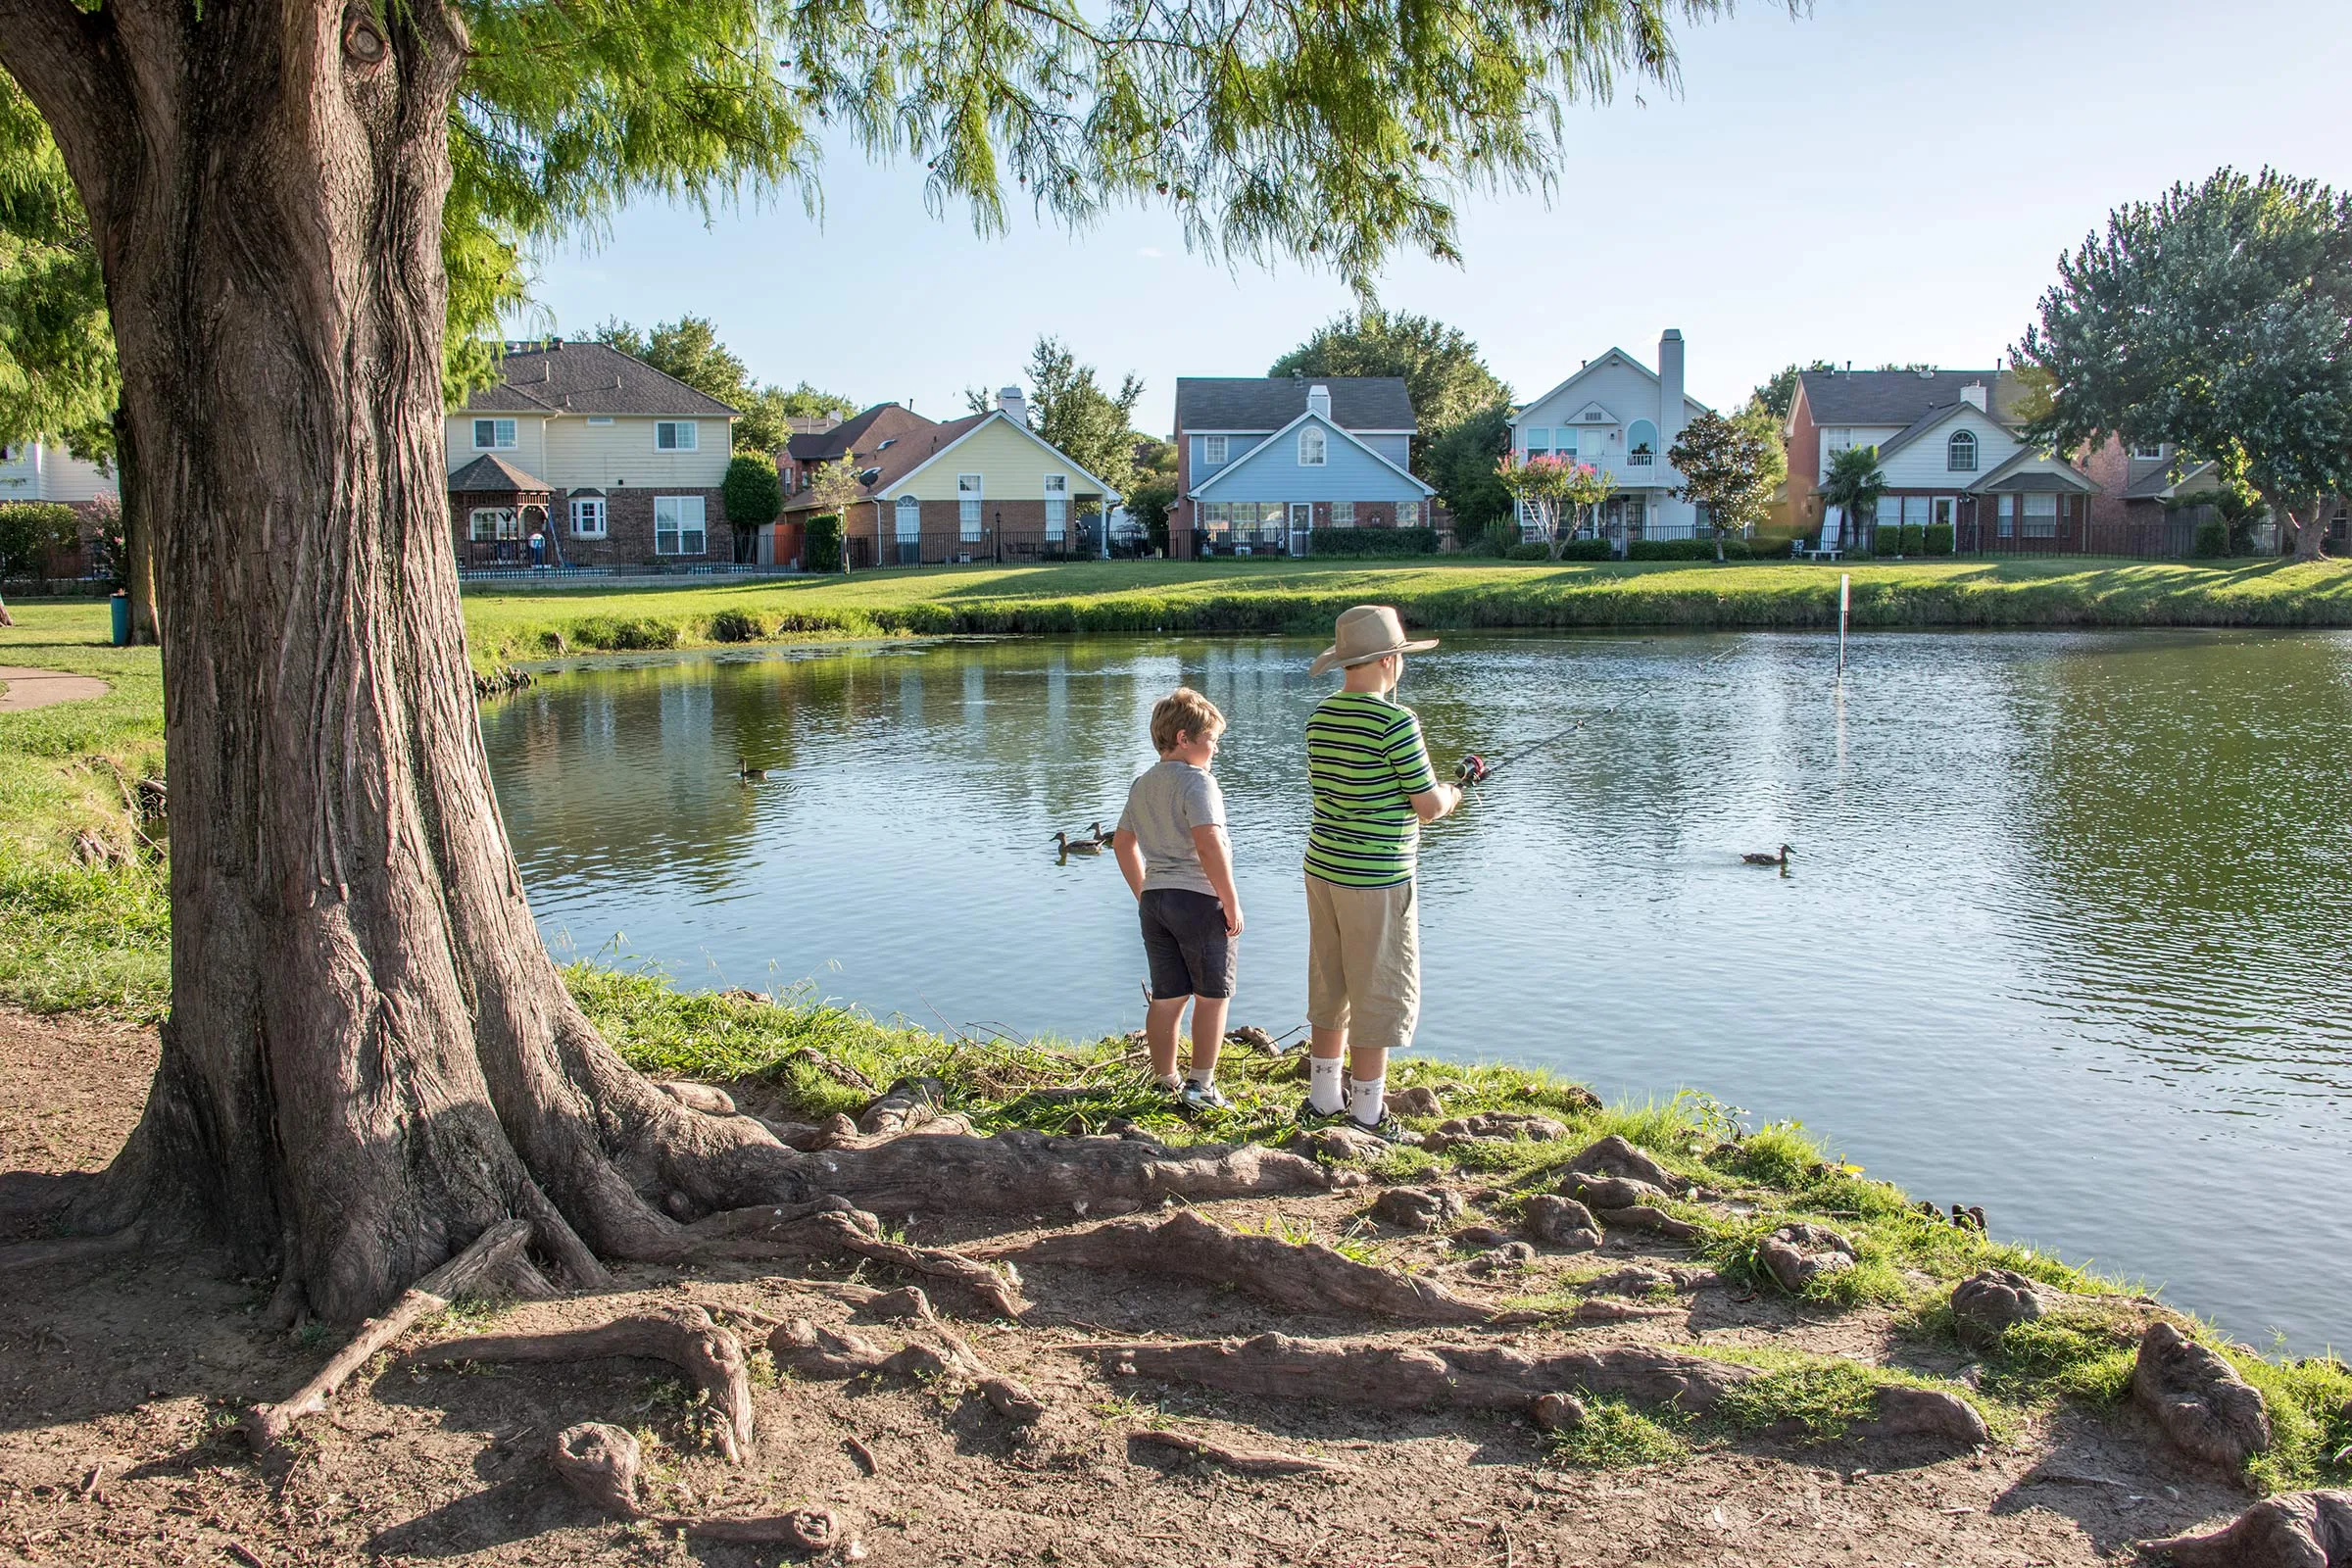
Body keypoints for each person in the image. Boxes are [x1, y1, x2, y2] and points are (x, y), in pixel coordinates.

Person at [1299, 605, 1481, 1133]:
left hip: (1323, 868)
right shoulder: (1396, 722)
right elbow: (1426, 805)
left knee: (1330, 983)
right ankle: (1368, 1113)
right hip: (1376, 877)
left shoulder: (1320, 718)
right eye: (1398, 657)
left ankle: (1322, 1098)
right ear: (1386, 662)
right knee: (1378, 989)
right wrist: (1455, 791)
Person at [1110, 686, 1244, 1112]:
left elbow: (1122, 843)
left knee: (1168, 995)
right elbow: (1209, 843)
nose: (1216, 749)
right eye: (1211, 740)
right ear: (1184, 739)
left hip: (1156, 902)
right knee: (1213, 995)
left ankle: (1164, 1078)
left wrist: (1143, 890)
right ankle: (1201, 1085)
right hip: (1199, 900)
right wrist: (1230, 899)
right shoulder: (1197, 782)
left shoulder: (1143, 783)